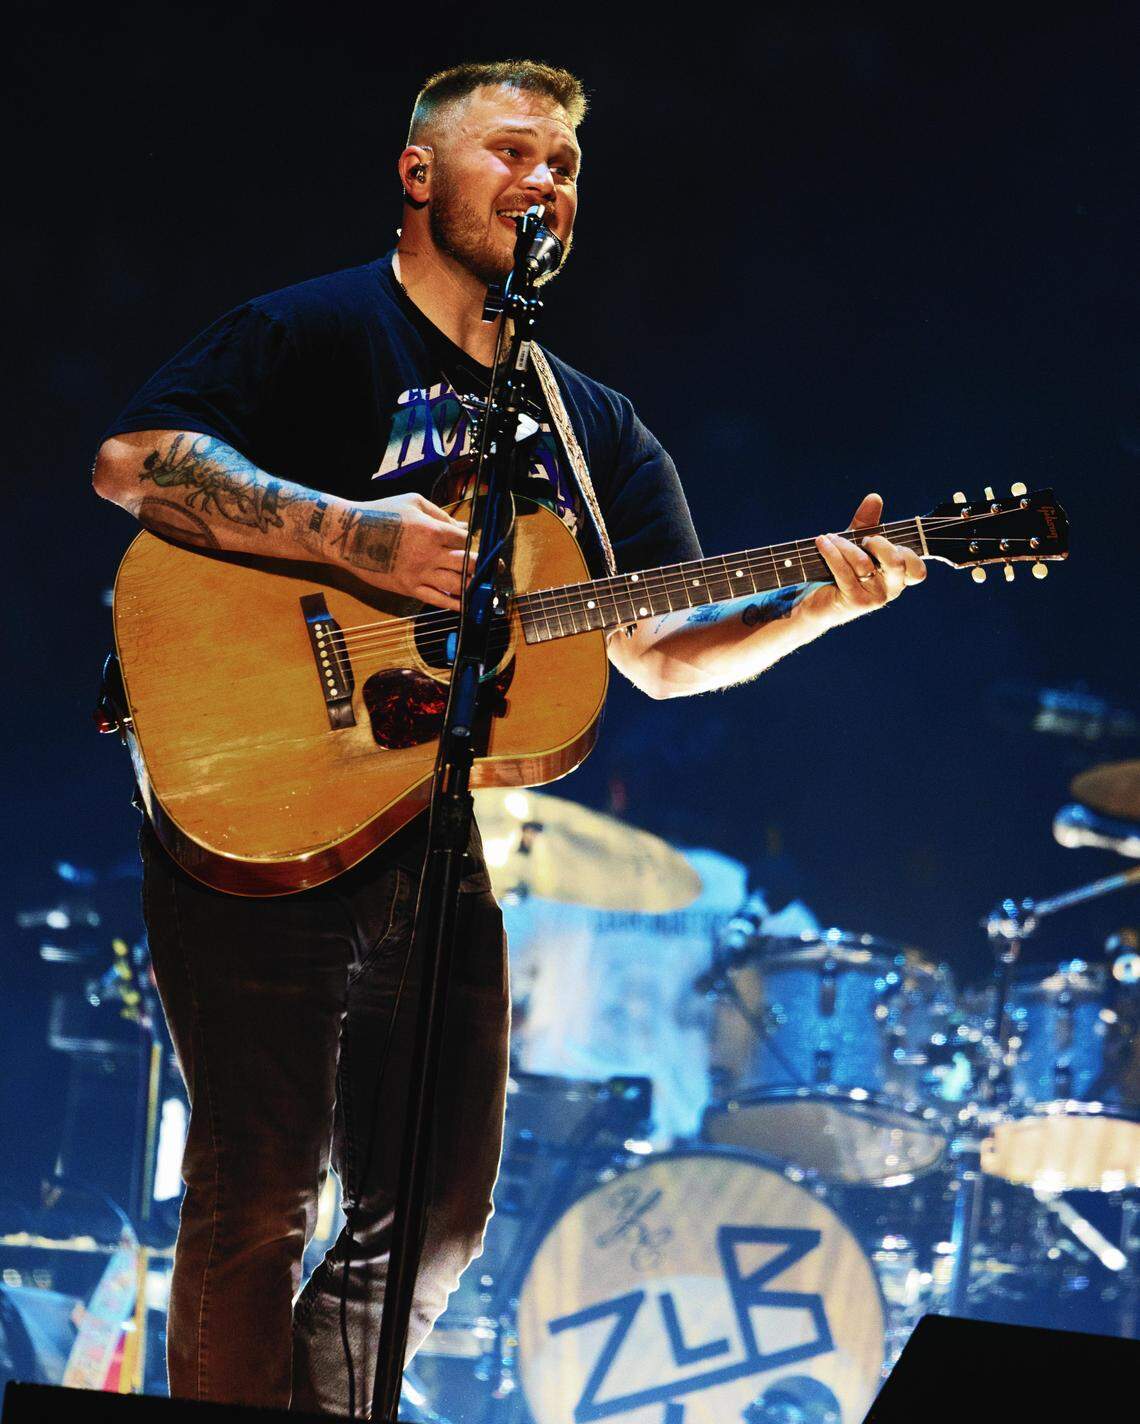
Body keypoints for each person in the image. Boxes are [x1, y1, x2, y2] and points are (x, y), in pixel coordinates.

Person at [91, 59, 925, 1412]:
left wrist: (819, 608)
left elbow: (656, 652)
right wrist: (355, 533)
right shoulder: (313, 333)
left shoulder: (597, 429)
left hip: (432, 832)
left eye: (566, 166)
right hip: (254, 786)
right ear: (420, 176)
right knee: (259, 1182)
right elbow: (137, 465)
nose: (546, 182)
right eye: (515, 152)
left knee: (436, 1215)